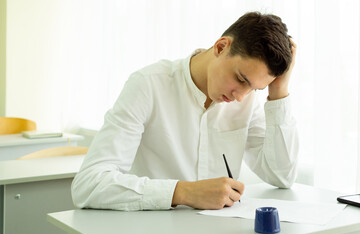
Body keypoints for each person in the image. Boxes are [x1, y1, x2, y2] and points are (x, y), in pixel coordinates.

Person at [71, 11, 299, 211]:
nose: (241, 96)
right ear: (221, 47)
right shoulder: (148, 85)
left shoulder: (244, 99)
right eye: (240, 79)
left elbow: (281, 176)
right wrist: (183, 192)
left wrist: (279, 92)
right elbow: (89, 184)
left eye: (254, 89)